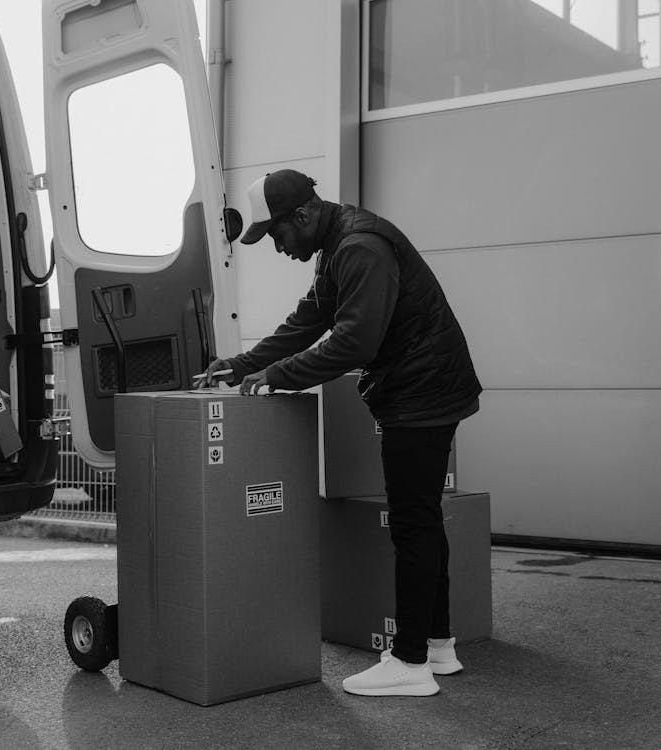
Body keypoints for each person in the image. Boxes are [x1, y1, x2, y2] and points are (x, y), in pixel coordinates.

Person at [199, 169, 482, 697]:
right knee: (420, 520)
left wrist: (277, 377)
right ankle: (438, 646)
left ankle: (410, 662)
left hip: (423, 393)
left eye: (277, 234)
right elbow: (308, 321)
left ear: (302, 215)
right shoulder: (335, 247)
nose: (278, 247)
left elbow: (355, 342)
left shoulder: (359, 248)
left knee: (412, 524)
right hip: (422, 387)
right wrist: (242, 365)